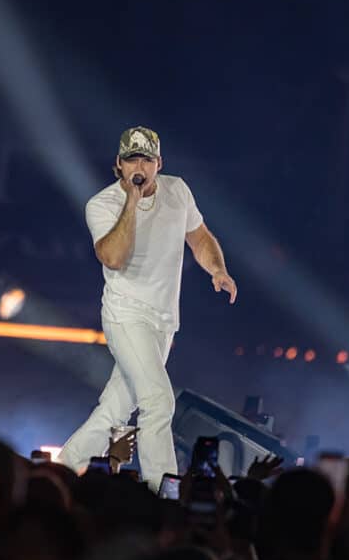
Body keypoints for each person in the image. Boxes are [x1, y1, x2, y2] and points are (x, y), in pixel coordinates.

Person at [58, 126, 237, 489]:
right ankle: (165, 490)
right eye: (131, 159)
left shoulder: (178, 191)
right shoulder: (103, 204)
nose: (139, 165)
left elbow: (199, 236)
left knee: (115, 410)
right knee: (158, 401)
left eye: (146, 159)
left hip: (163, 322)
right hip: (126, 316)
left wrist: (218, 269)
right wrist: (131, 202)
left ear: (159, 163)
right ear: (119, 166)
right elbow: (113, 256)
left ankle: (60, 469)